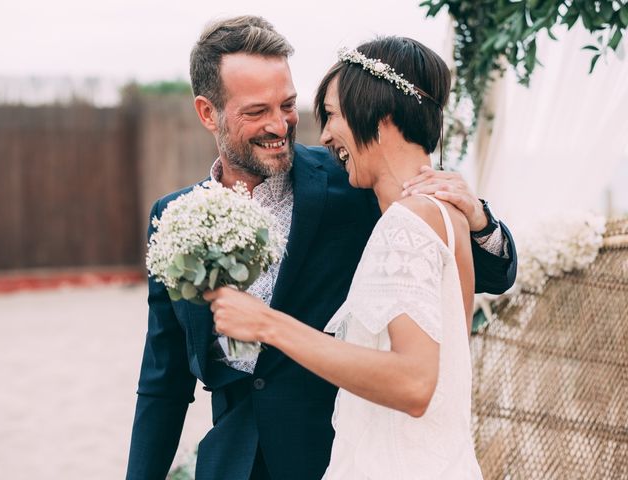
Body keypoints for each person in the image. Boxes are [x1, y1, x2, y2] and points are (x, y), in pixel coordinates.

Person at [126, 16, 517, 480]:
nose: (279, 124)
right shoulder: (173, 219)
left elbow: (477, 273)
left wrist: (480, 218)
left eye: (287, 105)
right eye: (256, 112)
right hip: (231, 463)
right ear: (208, 113)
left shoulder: (351, 180)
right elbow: (164, 381)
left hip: (334, 454)